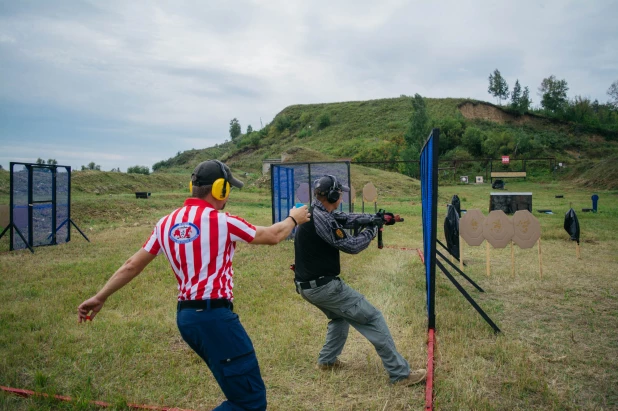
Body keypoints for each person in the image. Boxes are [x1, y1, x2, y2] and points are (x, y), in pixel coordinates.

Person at [78, 160, 311, 411]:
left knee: (239, 391)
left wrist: (100, 296)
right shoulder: (223, 221)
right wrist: (293, 218)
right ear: (220, 189)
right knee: (249, 401)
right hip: (215, 318)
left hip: (187, 318)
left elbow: (131, 265)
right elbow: (274, 235)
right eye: (228, 188)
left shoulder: (165, 223)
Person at [293, 175, 426, 386]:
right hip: (325, 287)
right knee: (373, 318)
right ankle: (400, 374)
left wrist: (374, 218)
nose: (341, 198)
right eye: (339, 194)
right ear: (333, 195)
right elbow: (353, 245)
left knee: (339, 318)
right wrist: (373, 229)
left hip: (307, 287)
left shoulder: (314, 212)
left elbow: (346, 218)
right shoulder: (324, 220)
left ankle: (326, 361)